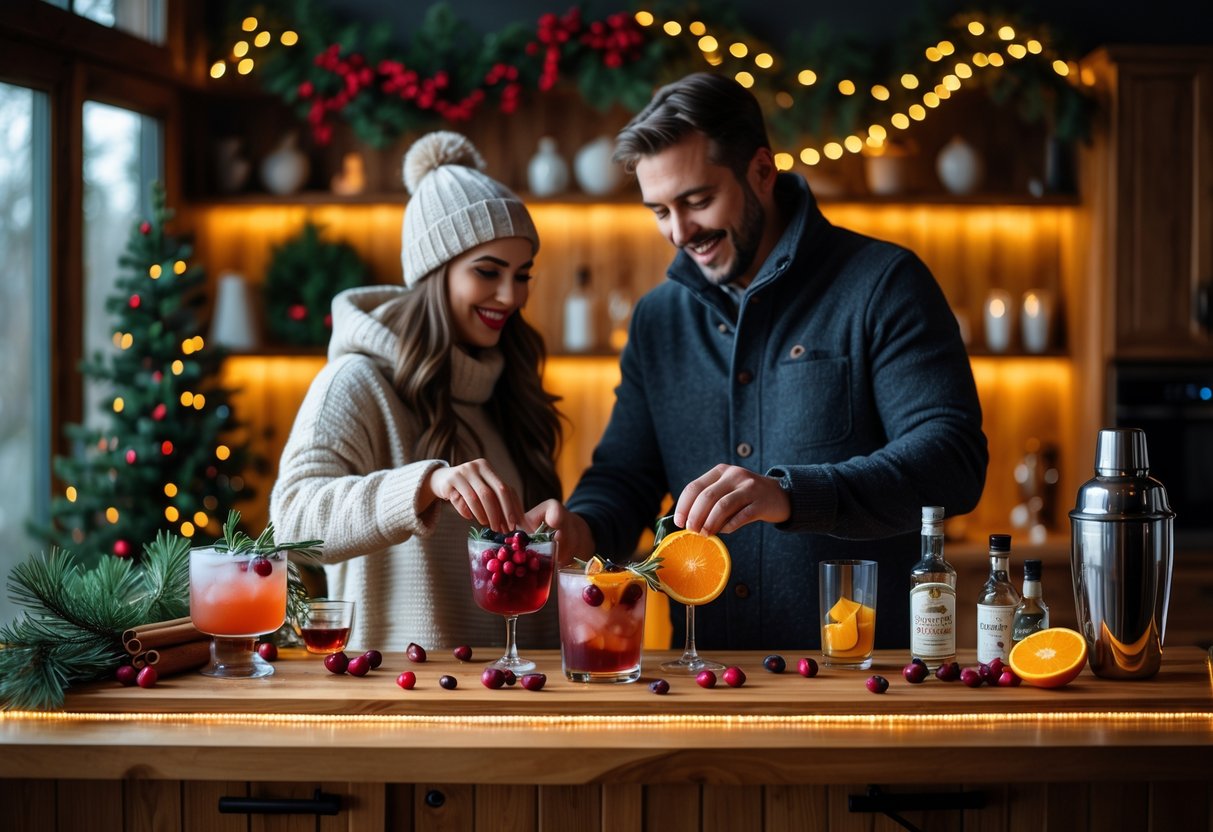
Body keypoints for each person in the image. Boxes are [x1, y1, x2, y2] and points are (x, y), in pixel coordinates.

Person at [530, 73, 988, 651]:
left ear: (763, 172)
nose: (679, 232)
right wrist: (583, 526)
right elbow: (627, 475)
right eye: (660, 211)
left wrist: (791, 495)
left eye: (697, 201)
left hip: (862, 680)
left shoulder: (883, 284)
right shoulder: (658, 319)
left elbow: (953, 461)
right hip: (704, 679)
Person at [271, 131, 562, 652]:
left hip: (524, 693)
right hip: (402, 703)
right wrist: (425, 486)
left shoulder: (508, 385)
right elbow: (292, 522)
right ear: (433, 273)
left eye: (522, 275)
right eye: (488, 272)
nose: (510, 295)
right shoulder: (357, 381)